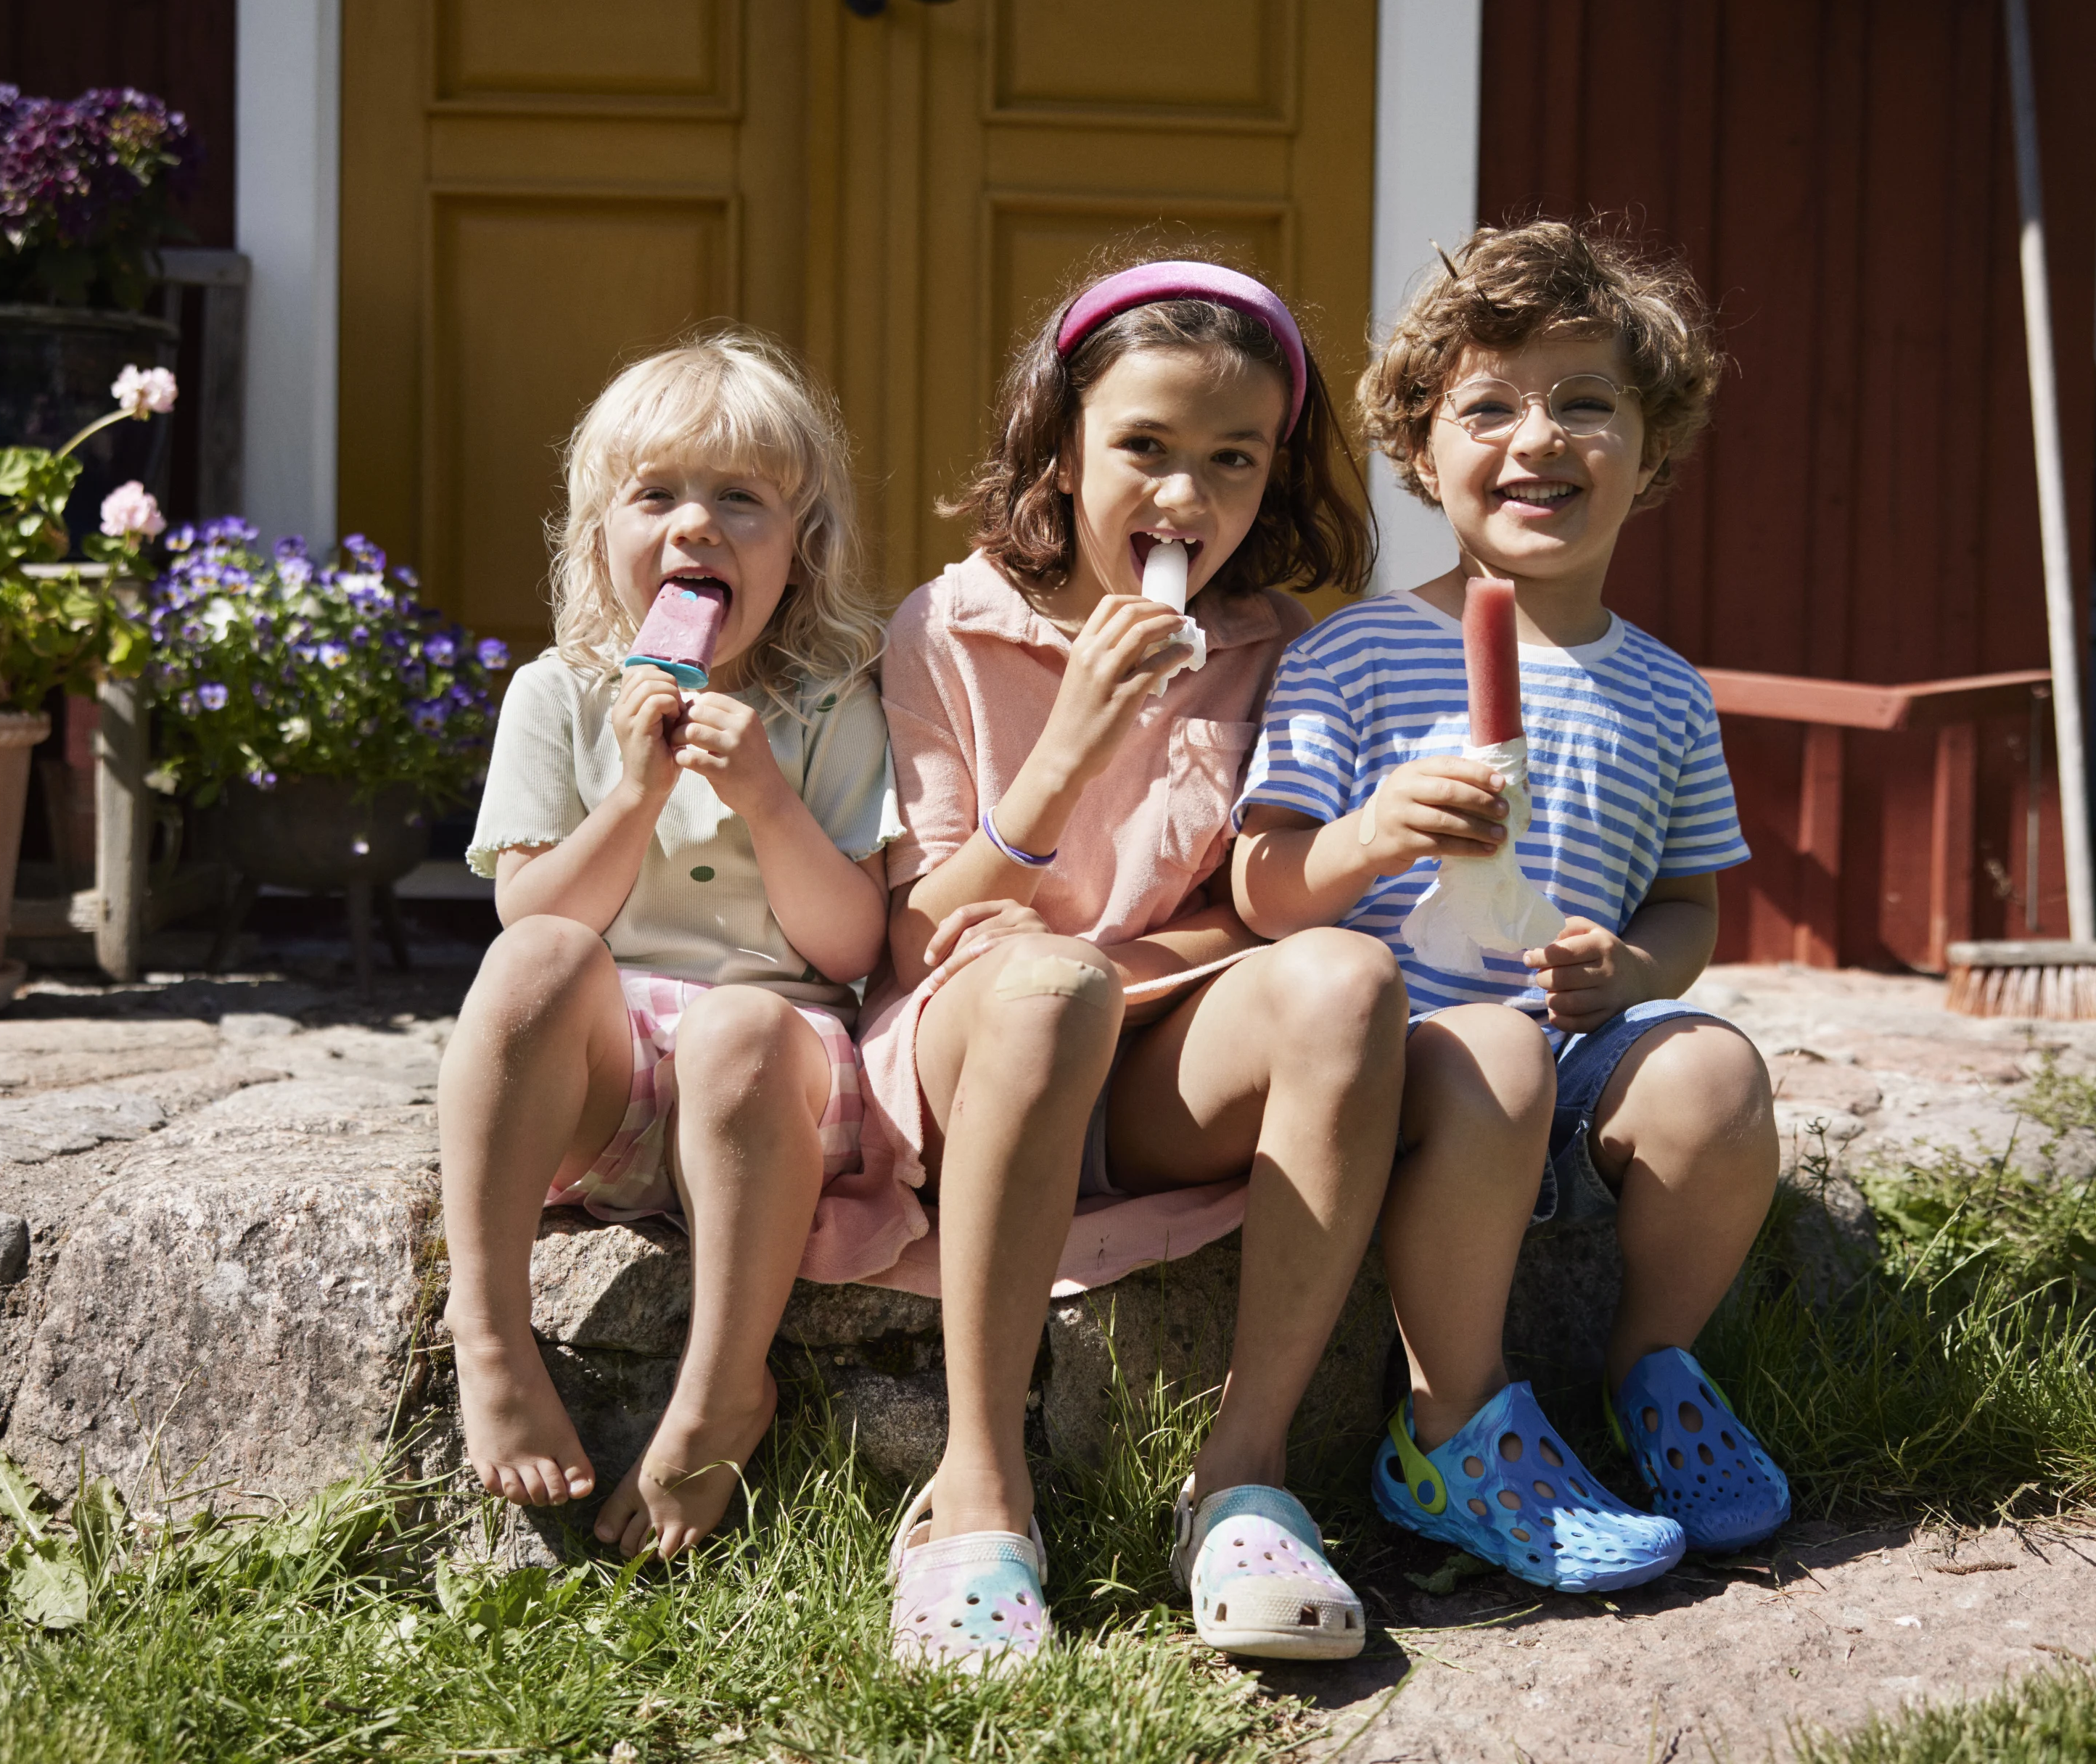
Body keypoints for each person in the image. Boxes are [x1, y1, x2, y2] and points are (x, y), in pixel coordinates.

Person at [862, 259, 1412, 1670]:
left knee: (1346, 981)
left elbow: (1264, 910)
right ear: (1061, 445)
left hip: (1154, 1062)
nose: (1187, 497)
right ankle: (978, 1494)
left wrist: (1146, 954)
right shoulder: (948, 626)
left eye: (1232, 460)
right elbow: (919, 924)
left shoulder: (1277, 645)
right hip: (978, 1041)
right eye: (1145, 449)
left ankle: (1242, 1473)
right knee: (1051, 983)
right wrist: (1068, 752)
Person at [1233, 220, 1790, 1591]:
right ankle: (1453, 1427)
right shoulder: (1357, 651)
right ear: (1424, 456)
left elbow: (1688, 908)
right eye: (1489, 406)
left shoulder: (1665, 689)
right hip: (1414, 1064)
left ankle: (1650, 1372)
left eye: (1586, 404)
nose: (1537, 437)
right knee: (1483, 1048)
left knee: (1717, 1074)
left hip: (1572, 1045)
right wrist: (1370, 835)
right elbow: (1263, 885)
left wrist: (1634, 972)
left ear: (1651, 456)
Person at [439, 332, 899, 1562]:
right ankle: (489, 1335)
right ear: (602, 540)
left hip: (772, 1087)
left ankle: (719, 1391)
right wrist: (632, 797)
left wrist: (768, 800)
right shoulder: (558, 693)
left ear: (800, 552)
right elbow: (530, 919)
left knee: (746, 1025)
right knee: (529, 965)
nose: (695, 529)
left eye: (739, 501)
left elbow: (853, 939)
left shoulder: (830, 702)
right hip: (605, 1090)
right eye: (657, 497)